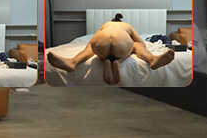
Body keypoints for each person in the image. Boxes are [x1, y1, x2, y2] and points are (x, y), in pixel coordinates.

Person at [47, 13, 176, 85]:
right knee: (137, 45)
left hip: (101, 45)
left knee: (90, 47)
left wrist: (94, 46)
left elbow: (92, 41)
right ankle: (150, 59)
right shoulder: (126, 26)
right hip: (121, 45)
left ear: (111, 21)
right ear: (121, 22)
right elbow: (140, 42)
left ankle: (73, 62)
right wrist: (134, 47)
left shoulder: (105, 25)